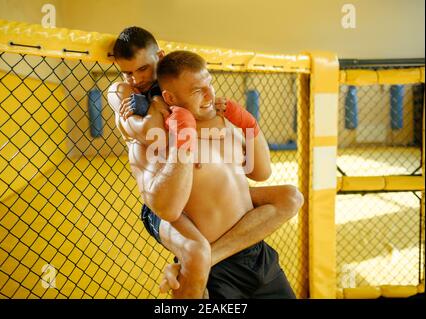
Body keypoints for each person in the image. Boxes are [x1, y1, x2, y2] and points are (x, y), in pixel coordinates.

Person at [108, 27, 303, 298]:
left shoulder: (218, 120)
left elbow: (262, 172)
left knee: (291, 197)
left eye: (142, 69)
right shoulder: (143, 112)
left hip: (255, 254)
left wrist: (250, 125)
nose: (135, 79)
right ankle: (201, 262)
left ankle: (205, 259)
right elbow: (166, 206)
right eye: (128, 72)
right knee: (197, 253)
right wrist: (165, 121)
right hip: (205, 252)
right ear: (171, 98)